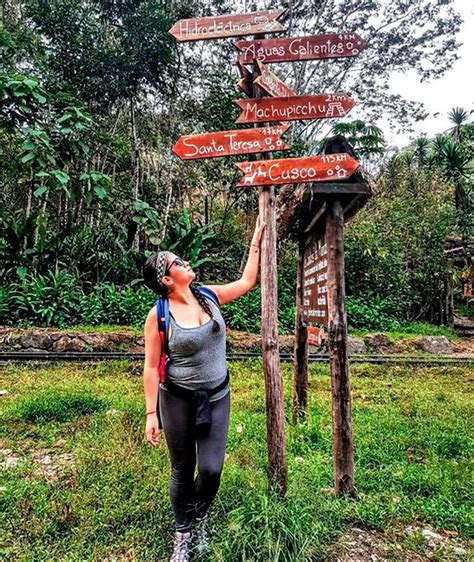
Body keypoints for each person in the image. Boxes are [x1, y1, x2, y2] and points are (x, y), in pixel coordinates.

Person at [142, 217, 266, 562]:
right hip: (178, 399)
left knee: (211, 469)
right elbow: (151, 366)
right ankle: (184, 532)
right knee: (183, 468)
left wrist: (256, 238)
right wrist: (151, 413)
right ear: (167, 279)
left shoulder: (208, 296)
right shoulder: (159, 315)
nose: (185, 262)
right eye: (176, 262)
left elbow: (247, 281)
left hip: (217, 396)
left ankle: (199, 516)